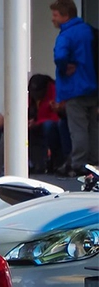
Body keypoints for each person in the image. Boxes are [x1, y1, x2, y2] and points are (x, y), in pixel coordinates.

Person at [50, 0, 98, 176]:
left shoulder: (66, 35)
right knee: (93, 127)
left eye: (55, 15)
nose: (52, 19)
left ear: (65, 15)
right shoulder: (88, 30)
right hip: (93, 86)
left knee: (77, 128)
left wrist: (64, 68)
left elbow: (60, 56)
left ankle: (78, 164)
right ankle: (94, 161)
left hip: (75, 88)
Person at [29, 74, 70, 174]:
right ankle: (33, 163)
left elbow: (55, 117)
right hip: (38, 123)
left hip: (53, 123)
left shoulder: (54, 91)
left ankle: (57, 160)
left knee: (49, 127)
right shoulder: (32, 96)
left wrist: (37, 123)